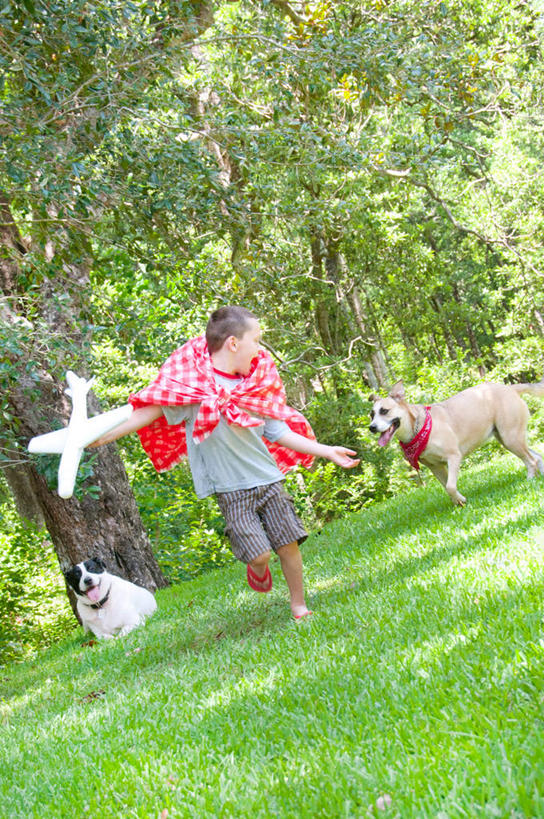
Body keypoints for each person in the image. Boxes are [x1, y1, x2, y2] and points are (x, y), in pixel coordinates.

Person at [90, 306, 360, 619]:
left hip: (268, 479)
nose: (259, 349)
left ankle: (299, 605)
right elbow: (145, 413)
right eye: (256, 340)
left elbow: (278, 430)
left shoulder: (253, 387)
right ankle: (257, 567)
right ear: (233, 344)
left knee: (288, 545)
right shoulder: (193, 390)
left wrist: (325, 450)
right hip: (231, 490)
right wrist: (99, 438)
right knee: (259, 554)